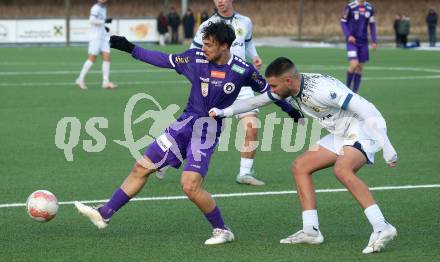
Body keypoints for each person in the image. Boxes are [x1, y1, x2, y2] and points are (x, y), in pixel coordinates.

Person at [74, 22, 298, 245]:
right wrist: (130, 48)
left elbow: (270, 93)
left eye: (209, 45)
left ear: (224, 46)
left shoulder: (243, 70)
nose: (204, 49)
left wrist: (290, 110)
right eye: (203, 44)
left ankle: (222, 230)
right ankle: (104, 213)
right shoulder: (195, 59)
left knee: (190, 186)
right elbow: (164, 59)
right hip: (183, 125)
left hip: (207, 132)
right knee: (142, 166)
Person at [209, 57, 398, 254]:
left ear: (288, 81)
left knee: (342, 169)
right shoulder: (289, 87)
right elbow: (258, 100)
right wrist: (224, 111)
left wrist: (386, 145)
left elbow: (367, 109)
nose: (271, 90)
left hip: (364, 128)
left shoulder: (321, 90)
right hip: (342, 132)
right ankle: (311, 231)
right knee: (301, 166)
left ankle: (382, 227)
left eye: (273, 85)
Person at [189, 0, 269, 186]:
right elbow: (194, 52)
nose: (220, 2)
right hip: (217, 84)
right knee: (201, 131)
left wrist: (254, 56)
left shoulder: (245, 22)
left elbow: (247, 43)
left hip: (242, 82)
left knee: (252, 127)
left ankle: (245, 173)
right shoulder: (207, 26)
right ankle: (168, 159)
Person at [75, 0, 116, 90]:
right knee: (92, 58)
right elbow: (92, 20)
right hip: (95, 37)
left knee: (107, 57)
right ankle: (80, 79)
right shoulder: (95, 8)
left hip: (103, 37)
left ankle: (106, 82)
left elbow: (101, 23)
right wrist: (104, 21)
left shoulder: (103, 8)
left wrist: (107, 28)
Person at [341, 0, 377, 94]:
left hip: (363, 42)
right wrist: (348, 35)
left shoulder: (370, 8)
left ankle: (355, 92)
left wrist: (374, 41)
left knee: (360, 67)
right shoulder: (350, 6)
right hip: (352, 42)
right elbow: (343, 22)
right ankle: (347, 89)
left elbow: (372, 25)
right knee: (354, 64)